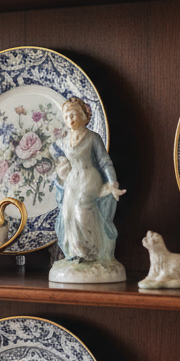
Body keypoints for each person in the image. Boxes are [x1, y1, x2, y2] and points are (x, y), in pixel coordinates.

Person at [52, 97, 125, 263]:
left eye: (73, 115)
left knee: (81, 210)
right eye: (66, 116)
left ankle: (92, 251)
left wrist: (112, 182)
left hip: (89, 177)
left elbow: (104, 161)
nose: (69, 119)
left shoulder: (93, 137)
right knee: (68, 213)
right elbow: (53, 150)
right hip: (73, 180)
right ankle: (78, 252)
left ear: (83, 115)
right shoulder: (64, 141)